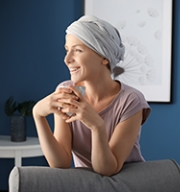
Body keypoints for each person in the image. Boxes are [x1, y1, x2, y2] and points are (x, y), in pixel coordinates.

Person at [32, 15, 151, 177]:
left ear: (104, 58)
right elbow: (60, 163)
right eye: (67, 50)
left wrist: (97, 126)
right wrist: (38, 115)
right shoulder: (68, 92)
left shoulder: (131, 101)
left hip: (127, 182)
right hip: (88, 183)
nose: (67, 59)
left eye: (78, 50)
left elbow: (107, 169)